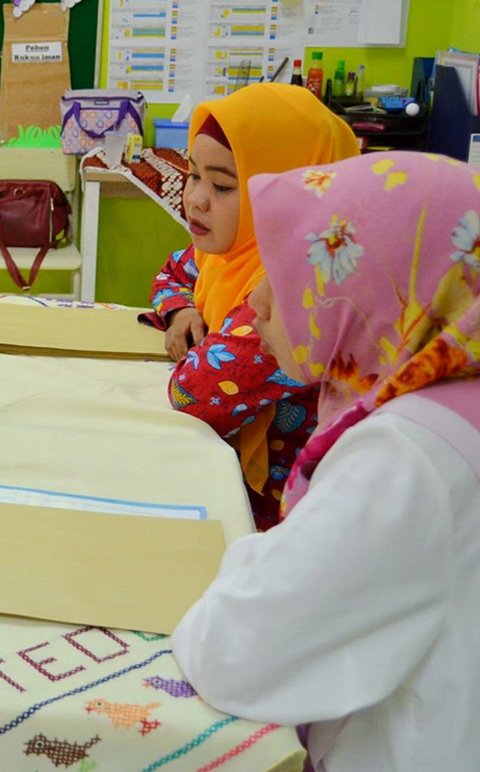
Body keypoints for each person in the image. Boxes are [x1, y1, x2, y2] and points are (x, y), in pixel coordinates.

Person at [171, 151, 480, 770]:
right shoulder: (437, 402)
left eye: (291, 270)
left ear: (372, 283)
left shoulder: (406, 455)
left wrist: (248, 559)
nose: (257, 300)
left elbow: (233, 651)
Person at [144, 83, 358, 530]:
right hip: (232, 479)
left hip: (288, 516)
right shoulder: (229, 252)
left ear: (294, 192)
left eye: (222, 185)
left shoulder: (300, 288)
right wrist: (184, 310)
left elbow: (194, 392)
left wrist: (204, 343)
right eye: (193, 175)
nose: (196, 199)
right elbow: (173, 272)